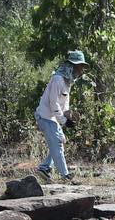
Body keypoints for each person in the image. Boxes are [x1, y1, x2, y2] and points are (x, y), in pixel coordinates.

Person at [35, 50, 88, 181]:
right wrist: (64, 121)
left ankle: (44, 168)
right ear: (72, 66)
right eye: (79, 67)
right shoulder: (58, 79)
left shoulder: (67, 82)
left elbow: (63, 106)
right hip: (46, 117)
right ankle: (65, 175)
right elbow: (54, 104)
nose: (81, 71)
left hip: (52, 119)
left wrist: (69, 116)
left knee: (60, 142)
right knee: (58, 144)